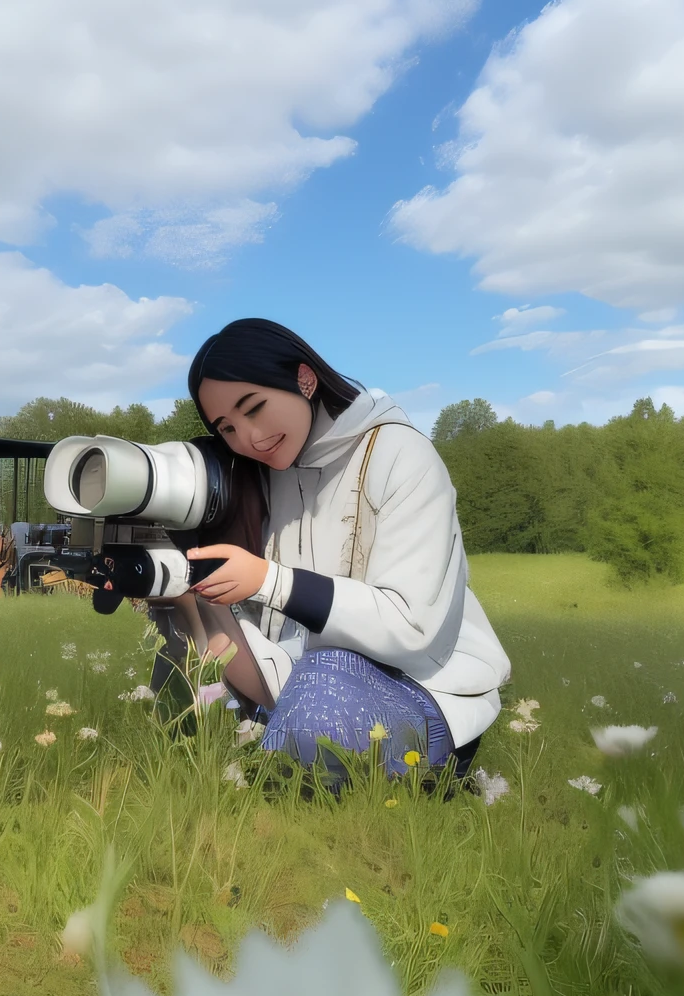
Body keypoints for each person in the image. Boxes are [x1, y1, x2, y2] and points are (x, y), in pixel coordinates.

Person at [180, 318, 510, 783]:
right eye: (227, 428)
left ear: (304, 379)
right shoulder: (267, 474)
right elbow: (268, 651)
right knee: (200, 639)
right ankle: (283, 754)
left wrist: (269, 581)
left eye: (254, 408)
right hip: (297, 686)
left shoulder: (401, 453)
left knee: (326, 676)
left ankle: (416, 767)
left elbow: (413, 628)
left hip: (423, 686)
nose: (249, 439)